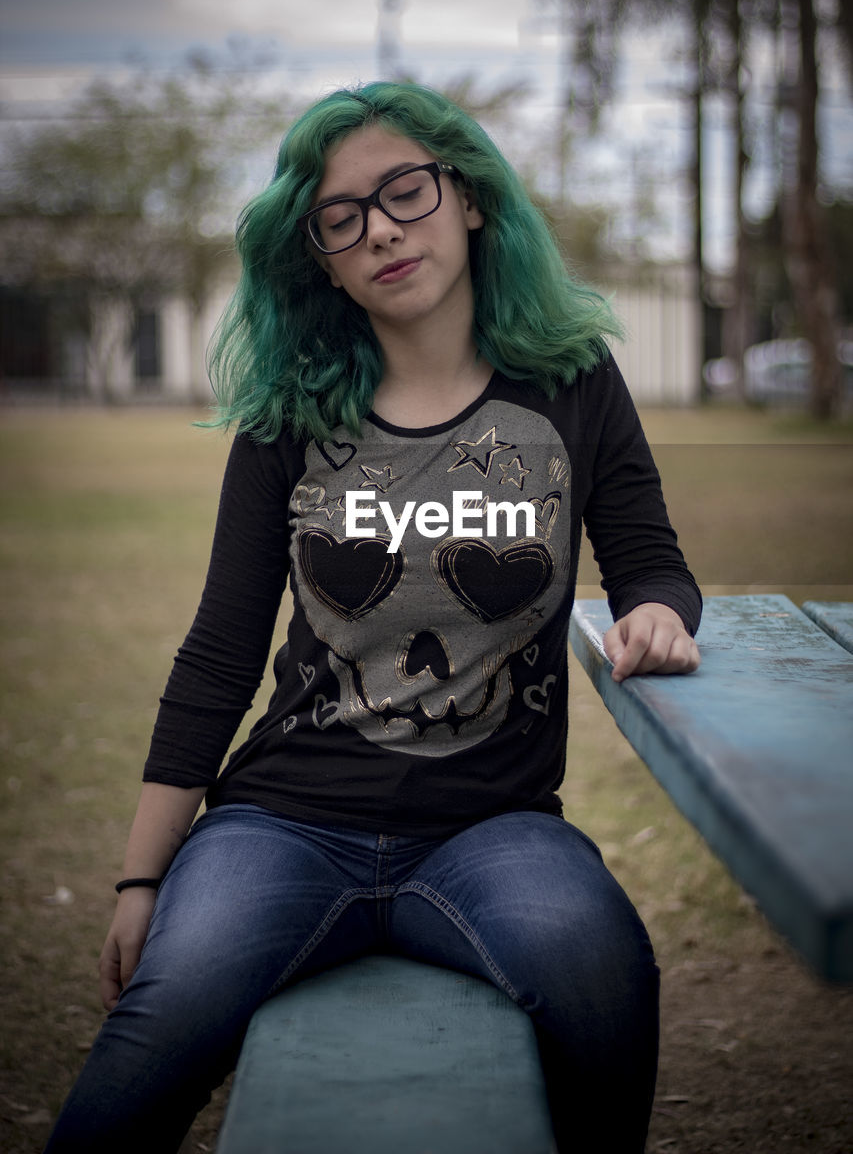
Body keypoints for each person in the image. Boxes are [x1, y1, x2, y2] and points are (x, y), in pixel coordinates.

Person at [44, 81, 701, 1154]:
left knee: (604, 972)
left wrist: (659, 618)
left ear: (472, 198)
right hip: (284, 823)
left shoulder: (572, 382)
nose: (382, 228)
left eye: (405, 190)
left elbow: (651, 564)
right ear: (323, 260)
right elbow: (218, 650)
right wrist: (140, 876)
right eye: (341, 218)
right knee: (156, 1021)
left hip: (491, 827)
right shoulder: (289, 417)